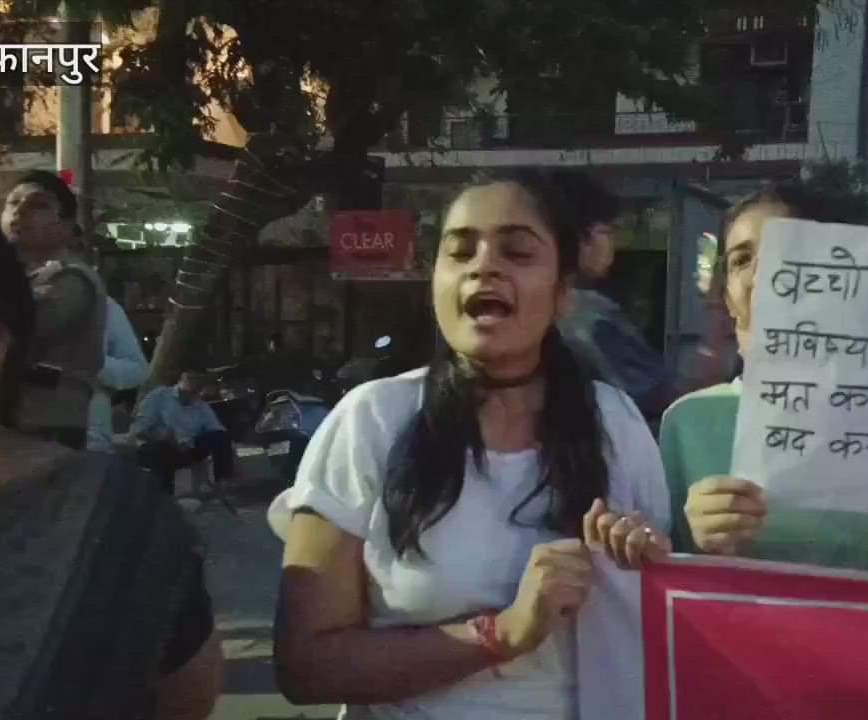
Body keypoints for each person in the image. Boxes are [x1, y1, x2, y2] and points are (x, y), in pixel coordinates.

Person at [268, 170, 670, 719]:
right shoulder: (371, 420)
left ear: (561, 293)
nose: (484, 266)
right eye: (460, 252)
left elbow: (654, 632)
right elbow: (306, 665)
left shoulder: (615, 422)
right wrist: (502, 633)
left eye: (518, 252)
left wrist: (647, 562)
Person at [0, 201, 220, 720]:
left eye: (35, 207)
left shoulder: (110, 526)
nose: (21, 218)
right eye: (13, 206)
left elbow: (184, 699)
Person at [661, 180, 868, 576]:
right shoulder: (690, 423)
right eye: (742, 260)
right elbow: (660, 587)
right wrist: (690, 546)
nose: (766, 275)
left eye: (789, 251)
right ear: (727, 295)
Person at [552, 170, 722, 420]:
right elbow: (659, 397)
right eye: (608, 231)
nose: (614, 244)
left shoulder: (545, 309)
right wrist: (711, 359)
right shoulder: (587, 316)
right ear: (582, 237)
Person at [0, 169, 107, 449]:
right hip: (15, 426)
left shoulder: (72, 279)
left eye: (38, 204)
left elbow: (22, 332)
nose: (20, 211)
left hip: (49, 429)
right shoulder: (20, 277)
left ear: (68, 225)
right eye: (12, 203)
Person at [133, 371, 236, 496]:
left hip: (188, 448)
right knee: (161, 450)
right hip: (160, 446)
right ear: (181, 379)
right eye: (191, 379)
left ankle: (222, 484)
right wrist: (161, 437)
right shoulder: (159, 396)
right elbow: (139, 429)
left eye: (198, 381)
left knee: (221, 437)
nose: (195, 385)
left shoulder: (200, 405)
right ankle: (164, 496)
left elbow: (216, 429)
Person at [88, 296, 150, 453]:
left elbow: (138, 370)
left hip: (89, 443)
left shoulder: (102, 306)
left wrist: (92, 364)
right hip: (23, 443)